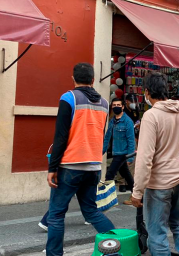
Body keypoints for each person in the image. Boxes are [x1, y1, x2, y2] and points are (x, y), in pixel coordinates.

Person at [45, 63, 115, 256]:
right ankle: (117, 246)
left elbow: (60, 137)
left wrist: (52, 167)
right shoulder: (104, 104)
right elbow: (102, 134)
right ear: (93, 80)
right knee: (92, 212)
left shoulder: (68, 98)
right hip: (93, 167)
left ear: (73, 79)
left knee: (56, 214)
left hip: (70, 166)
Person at [131, 73, 179, 256]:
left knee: (157, 233)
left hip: (159, 184)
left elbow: (145, 157)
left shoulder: (151, 116)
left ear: (147, 92)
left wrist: (137, 191)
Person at [103, 98, 136, 205]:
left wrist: (130, 157)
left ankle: (105, 199)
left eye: (118, 105)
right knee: (126, 175)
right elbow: (107, 137)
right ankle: (136, 196)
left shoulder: (127, 121)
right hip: (116, 151)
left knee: (109, 175)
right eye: (114, 105)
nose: (116, 106)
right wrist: (101, 152)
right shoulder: (113, 121)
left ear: (122, 107)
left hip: (123, 153)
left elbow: (131, 140)